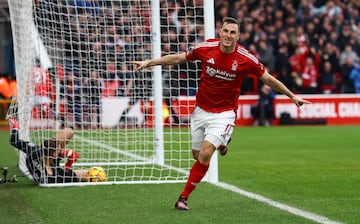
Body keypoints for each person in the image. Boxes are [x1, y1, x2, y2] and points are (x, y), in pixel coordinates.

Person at [130, 17, 311, 210]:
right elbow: (178, 58)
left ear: (238, 36)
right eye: (225, 31)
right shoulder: (206, 48)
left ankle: (183, 198)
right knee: (197, 155)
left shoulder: (246, 58)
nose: (228, 35)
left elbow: (267, 78)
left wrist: (292, 96)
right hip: (201, 110)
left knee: (206, 153)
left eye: (233, 32)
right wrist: (149, 62)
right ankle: (223, 142)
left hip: (224, 113)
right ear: (220, 32)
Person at [7, 116, 90, 184]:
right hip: (53, 167)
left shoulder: (34, 151)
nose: (61, 149)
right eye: (59, 149)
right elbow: (69, 174)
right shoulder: (57, 176)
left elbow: (14, 141)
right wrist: (68, 165)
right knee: (89, 174)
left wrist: (16, 127)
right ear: (55, 154)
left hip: (46, 160)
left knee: (69, 131)